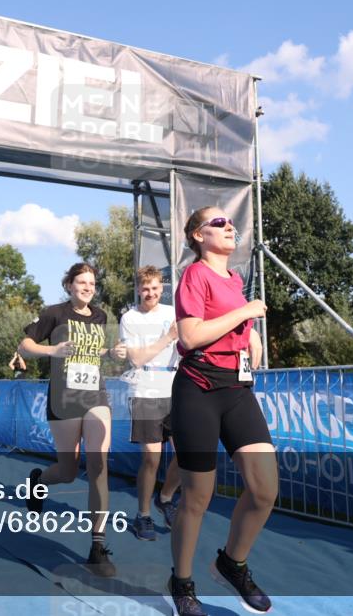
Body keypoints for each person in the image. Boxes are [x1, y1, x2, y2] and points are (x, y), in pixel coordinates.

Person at [167, 207, 276, 616]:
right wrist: (246, 313)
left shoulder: (235, 280)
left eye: (230, 221)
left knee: (264, 490)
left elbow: (233, 331)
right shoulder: (195, 275)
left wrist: (251, 343)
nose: (228, 225)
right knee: (197, 497)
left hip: (236, 389)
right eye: (217, 222)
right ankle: (182, 582)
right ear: (198, 235)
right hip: (197, 388)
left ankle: (232, 563)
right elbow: (192, 335)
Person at [17, 262, 127, 577]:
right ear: (69, 285)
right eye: (81, 282)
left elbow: (94, 351)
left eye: (92, 282)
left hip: (95, 396)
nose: (87, 287)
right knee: (67, 471)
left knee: (98, 464)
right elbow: (24, 345)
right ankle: (38, 482)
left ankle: (97, 546)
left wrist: (110, 354)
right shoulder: (54, 313)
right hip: (63, 400)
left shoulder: (101, 316)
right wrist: (53, 351)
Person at [119, 265, 183, 541]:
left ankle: (165, 497)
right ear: (138, 289)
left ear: (162, 288)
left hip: (176, 388)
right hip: (145, 389)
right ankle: (143, 515)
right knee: (151, 458)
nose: (151, 293)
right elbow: (137, 359)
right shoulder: (129, 318)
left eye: (155, 288)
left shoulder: (172, 313)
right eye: (146, 288)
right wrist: (167, 338)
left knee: (188, 453)